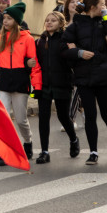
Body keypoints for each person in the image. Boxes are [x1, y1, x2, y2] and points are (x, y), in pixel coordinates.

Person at [62, 0, 107, 165]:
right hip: (84, 77)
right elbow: (64, 48)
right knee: (90, 115)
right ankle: (93, 152)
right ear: (93, 7)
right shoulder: (76, 25)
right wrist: (79, 53)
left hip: (104, 76)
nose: (104, 7)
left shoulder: (105, 22)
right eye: (102, 4)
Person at [0, 2, 41, 165]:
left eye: (9, 18)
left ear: (17, 21)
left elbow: (34, 64)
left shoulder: (27, 39)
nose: (5, 21)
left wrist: (37, 86)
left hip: (20, 82)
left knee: (21, 120)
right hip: (3, 82)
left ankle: (27, 142)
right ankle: (5, 151)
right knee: (4, 118)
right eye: (4, 18)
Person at [33, 11, 79, 163]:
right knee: (43, 117)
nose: (49, 22)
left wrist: (73, 51)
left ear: (60, 23)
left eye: (53, 20)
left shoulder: (65, 40)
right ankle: (44, 152)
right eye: (47, 20)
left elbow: (73, 64)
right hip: (45, 85)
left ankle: (73, 139)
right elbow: (34, 62)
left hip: (62, 83)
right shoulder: (40, 41)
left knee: (63, 116)